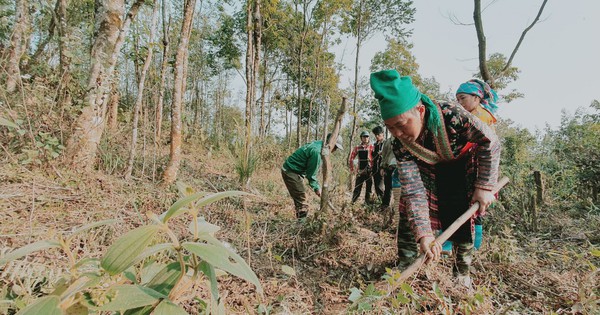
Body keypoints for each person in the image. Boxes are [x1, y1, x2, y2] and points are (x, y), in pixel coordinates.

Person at [369, 70, 500, 286]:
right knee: (407, 210)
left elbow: (490, 141)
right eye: (390, 127)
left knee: (461, 215)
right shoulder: (400, 146)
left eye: (401, 124)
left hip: (461, 165)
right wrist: (424, 235)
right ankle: (406, 264)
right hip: (426, 172)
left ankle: (461, 275)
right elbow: (413, 190)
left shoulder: (451, 115)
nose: (397, 133)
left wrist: (485, 185)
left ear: (420, 110)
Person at [453, 79, 501, 251]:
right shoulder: (473, 115)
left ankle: (472, 246)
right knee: (472, 208)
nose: (459, 103)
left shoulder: (479, 117)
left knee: (473, 206)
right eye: (457, 100)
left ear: (477, 98)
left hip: (478, 169)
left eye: (463, 98)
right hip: (472, 166)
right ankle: (472, 245)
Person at [282, 133, 343, 218]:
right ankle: (301, 225)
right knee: (302, 200)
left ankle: (300, 219)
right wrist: (317, 188)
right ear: (329, 143)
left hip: (294, 171)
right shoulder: (316, 152)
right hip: (290, 171)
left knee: (300, 198)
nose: (334, 150)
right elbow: (311, 175)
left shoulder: (319, 144)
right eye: (335, 147)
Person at [348, 130, 374, 204]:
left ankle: (367, 203)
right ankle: (353, 202)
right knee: (357, 187)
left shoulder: (372, 147)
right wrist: (352, 169)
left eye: (367, 137)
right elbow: (351, 158)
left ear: (369, 138)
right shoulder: (357, 147)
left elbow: (376, 158)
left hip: (369, 171)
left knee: (369, 188)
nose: (366, 138)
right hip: (360, 171)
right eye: (364, 137)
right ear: (361, 138)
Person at [380, 136, 398, 225]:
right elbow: (384, 155)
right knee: (388, 189)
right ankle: (386, 207)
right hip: (389, 167)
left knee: (398, 192)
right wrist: (382, 167)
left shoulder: (403, 138)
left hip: (400, 168)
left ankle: (396, 212)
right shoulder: (387, 142)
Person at [371, 126, 386, 204]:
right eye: (375, 135)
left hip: (382, 168)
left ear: (382, 134)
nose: (377, 136)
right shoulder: (375, 144)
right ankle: (379, 203)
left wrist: (383, 168)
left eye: (378, 134)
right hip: (374, 168)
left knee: (380, 187)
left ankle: (384, 204)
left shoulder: (385, 144)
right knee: (376, 186)